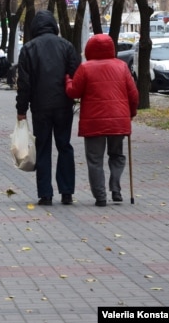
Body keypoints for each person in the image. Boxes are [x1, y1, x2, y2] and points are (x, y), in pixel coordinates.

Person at [65, 34, 139, 207]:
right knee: (117, 155)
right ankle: (115, 188)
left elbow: (74, 92)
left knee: (95, 160)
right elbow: (133, 94)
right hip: (118, 121)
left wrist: (68, 80)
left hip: (94, 122)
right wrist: (131, 113)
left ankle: (100, 196)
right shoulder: (121, 66)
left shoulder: (85, 68)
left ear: (89, 49)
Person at [16, 10, 80, 206]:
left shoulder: (28, 49)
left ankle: (45, 194)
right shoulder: (66, 46)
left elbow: (24, 83)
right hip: (63, 105)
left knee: (43, 148)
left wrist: (21, 109)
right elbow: (75, 74)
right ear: (54, 26)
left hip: (40, 106)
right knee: (65, 146)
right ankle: (67, 192)